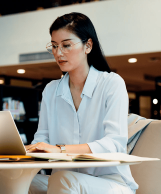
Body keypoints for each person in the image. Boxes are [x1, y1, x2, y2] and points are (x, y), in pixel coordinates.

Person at [25, 12, 138, 194]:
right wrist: (28, 148)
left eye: (66, 45)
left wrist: (59, 150)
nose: (58, 53)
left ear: (88, 46)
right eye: (54, 46)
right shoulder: (51, 90)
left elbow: (114, 144)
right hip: (65, 180)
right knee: (20, 182)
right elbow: (41, 139)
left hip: (109, 182)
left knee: (64, 180)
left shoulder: (111, 84)